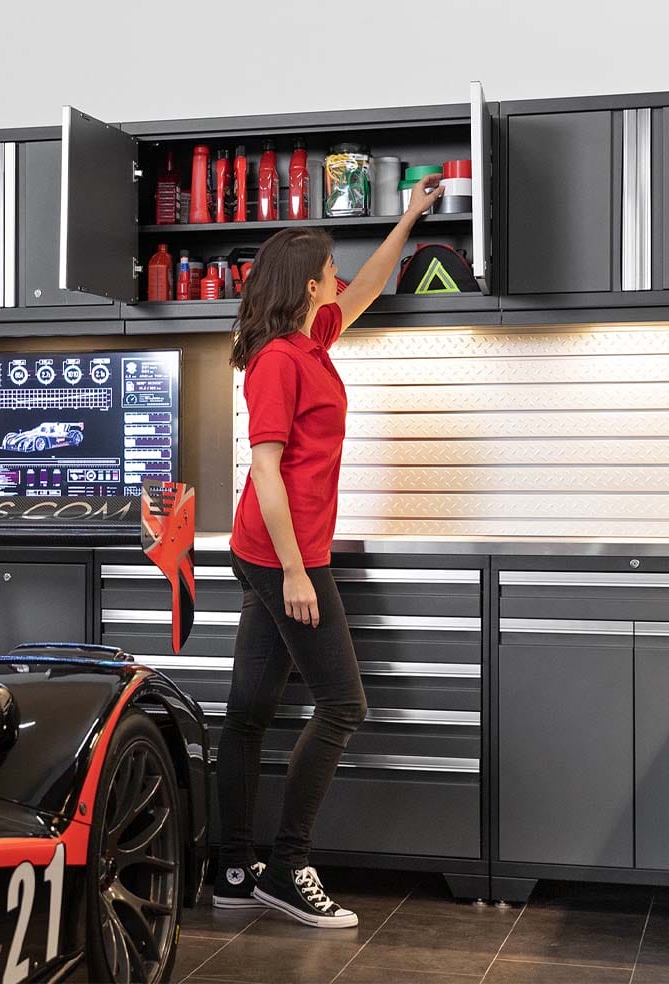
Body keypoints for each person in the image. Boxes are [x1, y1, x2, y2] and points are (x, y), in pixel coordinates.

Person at [212, 175, 446, 928]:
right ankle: (287, 866)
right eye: (330, 274)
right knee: (344, 704)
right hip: (282, 550)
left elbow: (372, 285)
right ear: (309, 282)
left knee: (249, 711)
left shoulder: (312, 339)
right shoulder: (279, 360)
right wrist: (292, 571)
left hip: (274, 547)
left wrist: (409, 216)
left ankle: (231, 866)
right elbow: (266, 469)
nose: (339, 282)